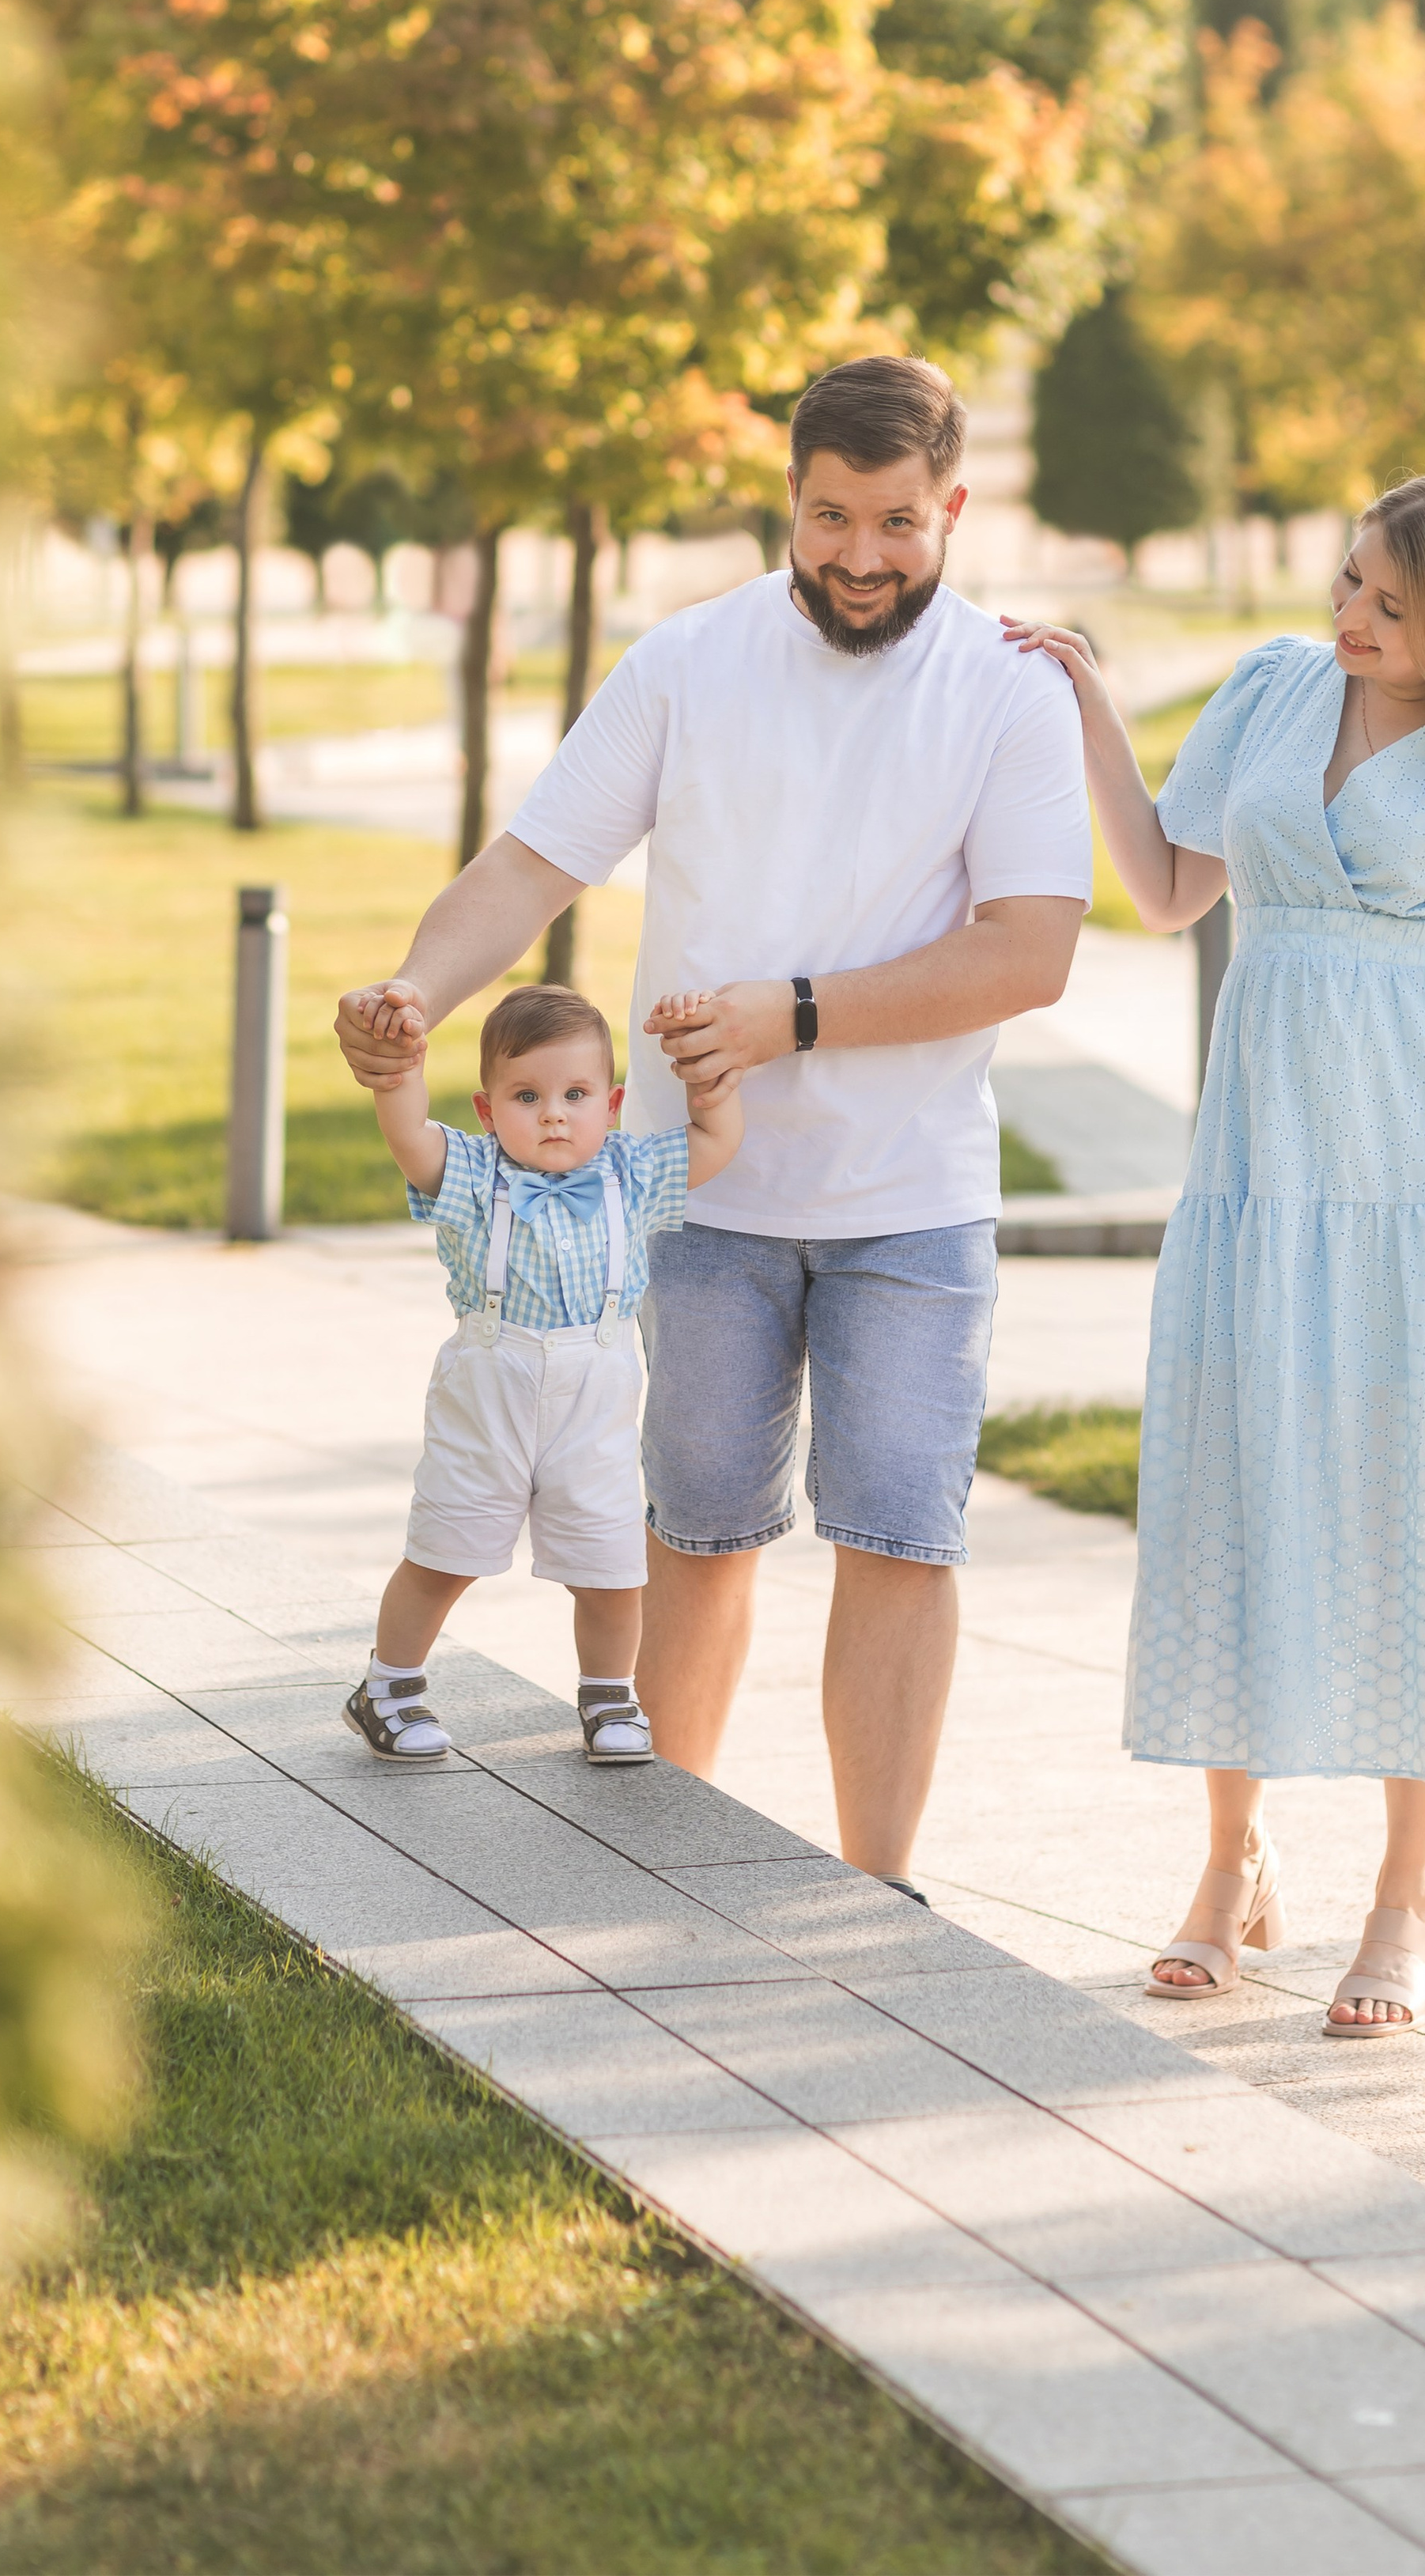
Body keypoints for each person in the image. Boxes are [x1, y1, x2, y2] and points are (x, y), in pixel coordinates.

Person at [335, 355, 1090, 1893]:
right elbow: (529, 865)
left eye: (895, 522)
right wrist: (414, 987)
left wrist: (786, 1013)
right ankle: (664, 1877)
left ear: (950, 508)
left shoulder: (1006, 693)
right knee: (694, 1533)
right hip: (692, 1208)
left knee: (897, 1536)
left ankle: (879, 1898)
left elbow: (1030, 951)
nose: (860, 556)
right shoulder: (687, 663)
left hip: (909, 1202)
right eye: (828, 517)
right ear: (787, 499)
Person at [1006, 470, 1425, 2036]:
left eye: (1388, 605)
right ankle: (1231, 1865)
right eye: (1346, 581)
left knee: (1422, 1514)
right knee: (1241, 1487)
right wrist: (1090, 707)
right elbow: (1163, 890)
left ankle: (1405, 1898)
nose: (1348, 617)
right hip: (1263, 1177)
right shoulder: (1275, 690)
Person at [343, 980, 743, 1769]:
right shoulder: (472, 1175)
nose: (553, 1113)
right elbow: (410, 1136)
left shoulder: (633, 1173)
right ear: (488, 1110)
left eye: (575, 1094)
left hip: (591, 1401)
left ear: (612, 1103)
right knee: (446, 1549)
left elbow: (717, 1142)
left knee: (610, 1567)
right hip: (492, 1390)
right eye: (526, 1096)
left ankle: (608, 1692)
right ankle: (388, 1686)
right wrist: (400, 1069)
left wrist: (708, 1082)